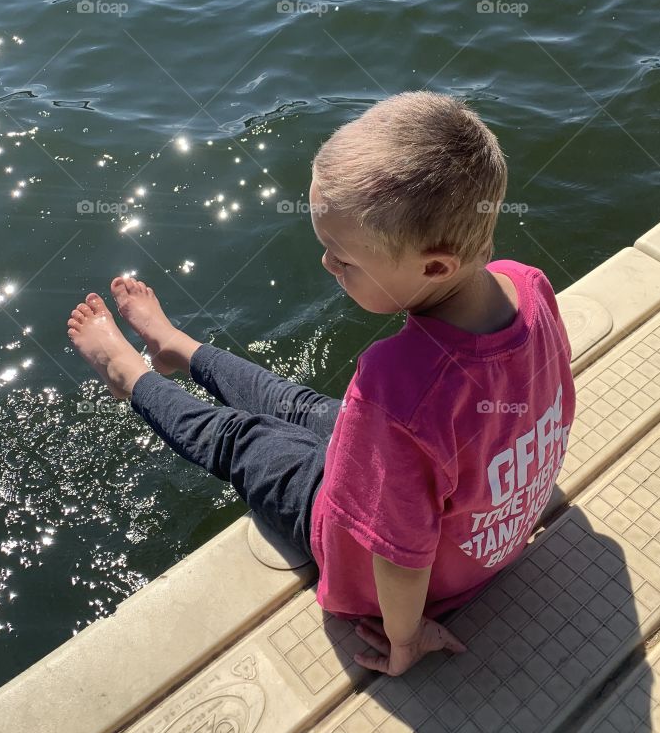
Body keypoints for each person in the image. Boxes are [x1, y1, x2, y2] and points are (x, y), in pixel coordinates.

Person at [66, 90, 576, 678]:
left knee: (246, 439)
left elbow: (402, 560)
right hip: (486, 534)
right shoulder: (527, 284)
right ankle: (179, 349)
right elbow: (554, 403)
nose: (328, 267)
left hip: (408, 575)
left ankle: (128, 373)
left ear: (434, 267)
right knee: (302, 407)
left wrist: (404, 642)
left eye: (342, 258)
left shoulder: (394, 383)